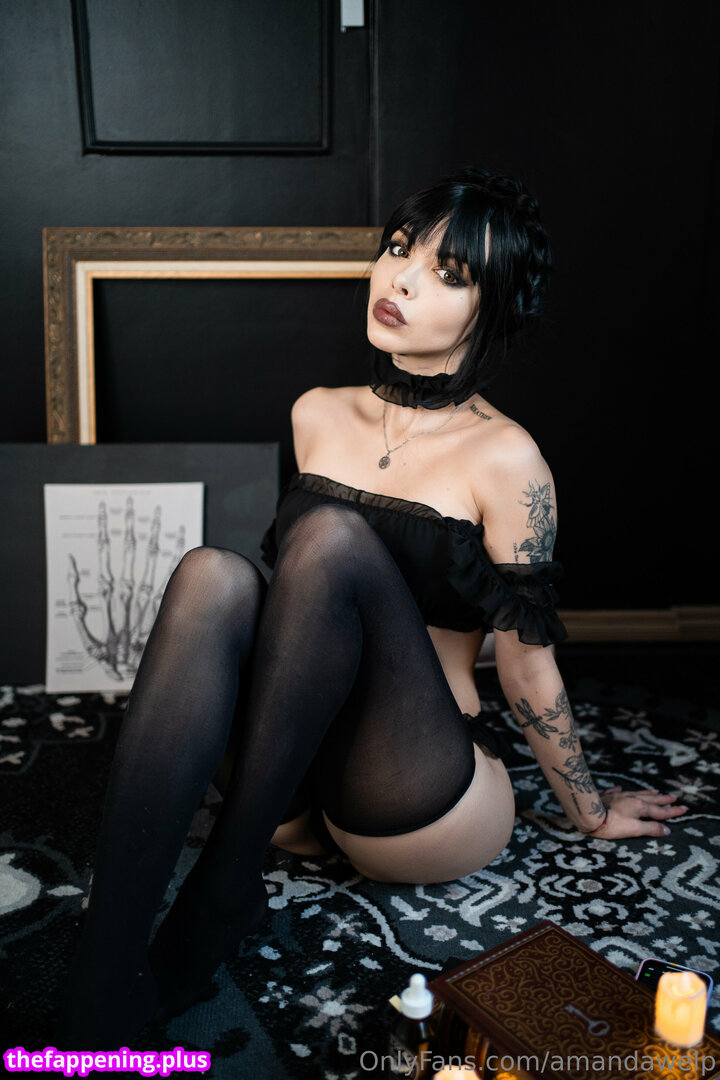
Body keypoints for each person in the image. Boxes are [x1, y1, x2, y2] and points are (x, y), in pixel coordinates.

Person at [57, 167, 687, 1048]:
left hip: (414, 787)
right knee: (213, 575)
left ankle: (223, 886)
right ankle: (102, 973)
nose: (400, 280)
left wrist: (586, 806)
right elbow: (290, 619)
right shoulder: (317, 414)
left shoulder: (508, 458)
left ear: (492, 311)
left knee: (331, 539)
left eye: (447, 273)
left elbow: (525, 659)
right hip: (287, 783)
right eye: (398, 249)